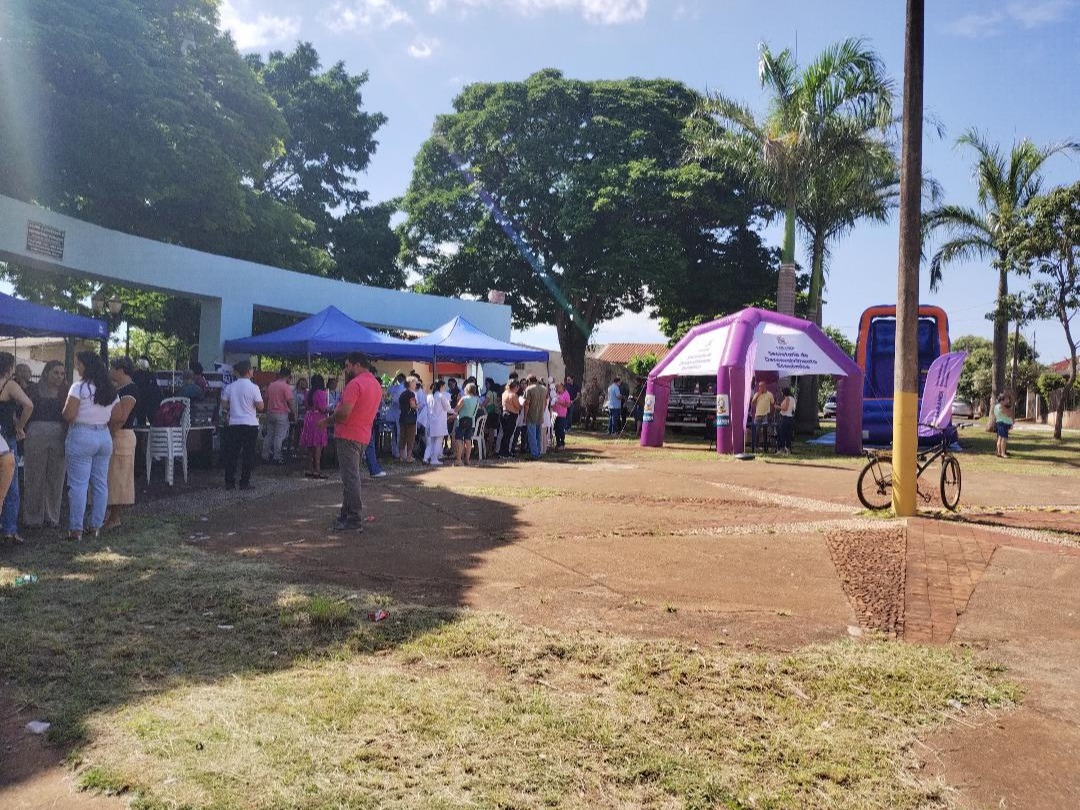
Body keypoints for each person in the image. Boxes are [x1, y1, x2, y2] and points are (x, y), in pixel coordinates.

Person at [323, 352, 382, 531]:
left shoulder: (355, 384)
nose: (346, 369)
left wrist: (326, 422)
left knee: (350, 478)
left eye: (348, 365)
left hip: (348, 434)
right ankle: (346, 515)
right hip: (362, 434)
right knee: (350, 477)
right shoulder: (375, 384)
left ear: (357, 365)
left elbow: (344, 412)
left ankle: (354, 518)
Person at [62, 351, 117, 540]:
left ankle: (76, 529)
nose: (77, 367)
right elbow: (117, 416)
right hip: (104, 435)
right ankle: (95, 527)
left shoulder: (78, 387)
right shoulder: (110, 389)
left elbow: (69, 415)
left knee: (78, 484)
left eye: (79, 364)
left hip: (81, 434)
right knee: (100, 484)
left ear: (87, 366)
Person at [23, 360, 67, 531]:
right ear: (46, 372)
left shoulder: (66, 391)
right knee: (34, 475)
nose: (59, 376)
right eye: (56, 372)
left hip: (59, 434)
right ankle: (33, 517)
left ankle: (52, 516)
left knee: (56, 477)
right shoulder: (33, 389)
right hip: (35, 433)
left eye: (62, 373)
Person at [0, 353, 33, 543]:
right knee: (10, 486)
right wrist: (20, 426)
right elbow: (29, 405)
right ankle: (9, 529)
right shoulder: (10, 385)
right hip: (6, 437)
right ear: (9, 366)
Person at [103, 357, 139, 530]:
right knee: (110, 477)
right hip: (115, 434)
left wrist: (108, 433)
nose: (110, 371)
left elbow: (122, 416)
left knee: (118, 478)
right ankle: (109, 514)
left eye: (112, 368)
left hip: (121, 435)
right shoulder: (119, 389)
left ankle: (115, 516)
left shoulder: (130, 390)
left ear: (121, 370)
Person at [220, 360, 263, 490]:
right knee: (248, 454)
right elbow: (260, 406)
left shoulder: (230, 387)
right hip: (250, 423)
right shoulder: (254, 387)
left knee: (232, 453)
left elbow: (224, 404)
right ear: (248, 371)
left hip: (234, 423)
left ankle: (229, 482)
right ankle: (244, 481)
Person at [300, 373, 331, 478]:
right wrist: (330, 408)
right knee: (318, 444)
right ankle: (317, 468)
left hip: (309, 417)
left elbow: (306, 405)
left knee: (310, 444)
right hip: (318, 418)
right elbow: (323, 408)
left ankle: (310, 468)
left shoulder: (308, 393)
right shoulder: (321, 393)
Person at [263, 367, 294, 465]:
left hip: (270, 412)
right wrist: (294, 413)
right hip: (281, 413)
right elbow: (290, 402)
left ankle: (265, 455)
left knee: (269, 435)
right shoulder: (286, 387)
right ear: (288, 376)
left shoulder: (271, 385)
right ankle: (277, 457)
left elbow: (266, 399)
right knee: (279, 437)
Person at [452, 382, 480, 466]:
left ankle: (458, 459)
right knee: (468, 440)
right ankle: (467, 459)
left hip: (462, 420)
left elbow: (456, 410)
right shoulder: (477, 399)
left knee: (459, 439)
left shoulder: (464, 399)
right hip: (471, 421)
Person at [424, 380, 451, 465]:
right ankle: (434, 459)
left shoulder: (429, 396)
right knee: (438, 441)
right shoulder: (441, 396)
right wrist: (454, 411)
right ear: (441, 386)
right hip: (439, 422)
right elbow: (447, 407)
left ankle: (425, 458)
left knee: (431, 442)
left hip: (431, 421)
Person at [524, 375, 547, 460]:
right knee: (538, 435)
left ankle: (534, 454)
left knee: (532, 436)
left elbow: (527, 404)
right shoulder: (544, 389)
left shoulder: (529, 389)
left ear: (529, 381)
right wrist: (543, 411)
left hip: (531, 415)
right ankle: (538, 452)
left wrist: (525, 416)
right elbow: (545, 403)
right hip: (540, 415)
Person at [398, 377, 419, 464]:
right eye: (414, 383)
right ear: (410, 384)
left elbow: (399, 406)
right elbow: (413, 405)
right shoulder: (411, 394)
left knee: (402, 437)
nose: (416, 385)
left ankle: (402, 456)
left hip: (402, 417)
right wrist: (418, 405)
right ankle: (409, 457)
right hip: (410, 419)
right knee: (410, 437)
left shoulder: (402, 394)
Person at [749, 380, 775, 453]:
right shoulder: (757, 394)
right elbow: (753, 403)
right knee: (756, 431)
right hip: (758, 415)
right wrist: (757, 395)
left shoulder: (770, 394)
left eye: (761, 386)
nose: (760, 388)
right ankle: (754, 447)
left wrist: (771, 414)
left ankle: (765, 448)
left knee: (765, 432)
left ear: (764, 386)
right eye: (759, 386)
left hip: (765, 415)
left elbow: (772, 404)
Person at [386, 373, 406, 459]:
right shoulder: (402, 387)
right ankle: (397, 452)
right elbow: (388, 390)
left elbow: (388, 390)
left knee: (396, 433)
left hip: (398, 411)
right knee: (398, 432)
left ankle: (396, 451)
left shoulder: (398, 387)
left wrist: (394, 381)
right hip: (399, 411)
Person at [498, 381, 521, 458]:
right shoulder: (513, 395)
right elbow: (518, 406)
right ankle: (505, 453)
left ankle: (502, 452)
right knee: (508, 435)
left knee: (505, 435)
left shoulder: (504, 393)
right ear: (515, 387)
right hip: (511, 415)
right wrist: (522, 404)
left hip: (504, 414)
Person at [775, 387, 797, 455]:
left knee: (781, 434)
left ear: (783, 393)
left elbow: (785, 408)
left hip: (785, 418)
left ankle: (781, 449)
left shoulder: (787, 398)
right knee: (788, 435)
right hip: (790, 418)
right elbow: (793, 409)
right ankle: (788, 449)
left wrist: (778, 407)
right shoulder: (793, 399)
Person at [994, 393, 1014, 459]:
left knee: (1000, 437)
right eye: (1006, 400)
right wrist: (1010, 411)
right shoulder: (1001, 406)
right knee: (1004, 438)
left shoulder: (996, 406)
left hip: (1000, 423)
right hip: (1003, 424)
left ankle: (999, 452)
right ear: (1002, 400)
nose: (1007, 401)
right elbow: (1008, 414)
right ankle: (1003, 453)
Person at [552, 382, 571, 448]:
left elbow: (568, 404)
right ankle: (558, 443)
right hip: (555, 414)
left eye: (559, 387)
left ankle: (562, 442)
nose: (558, 388)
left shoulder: (566, 394)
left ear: (562, 387)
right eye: (557, 387)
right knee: (556, 429)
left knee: (561, 429)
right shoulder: (555, 394)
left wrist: (560, 403)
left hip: (562, 414)